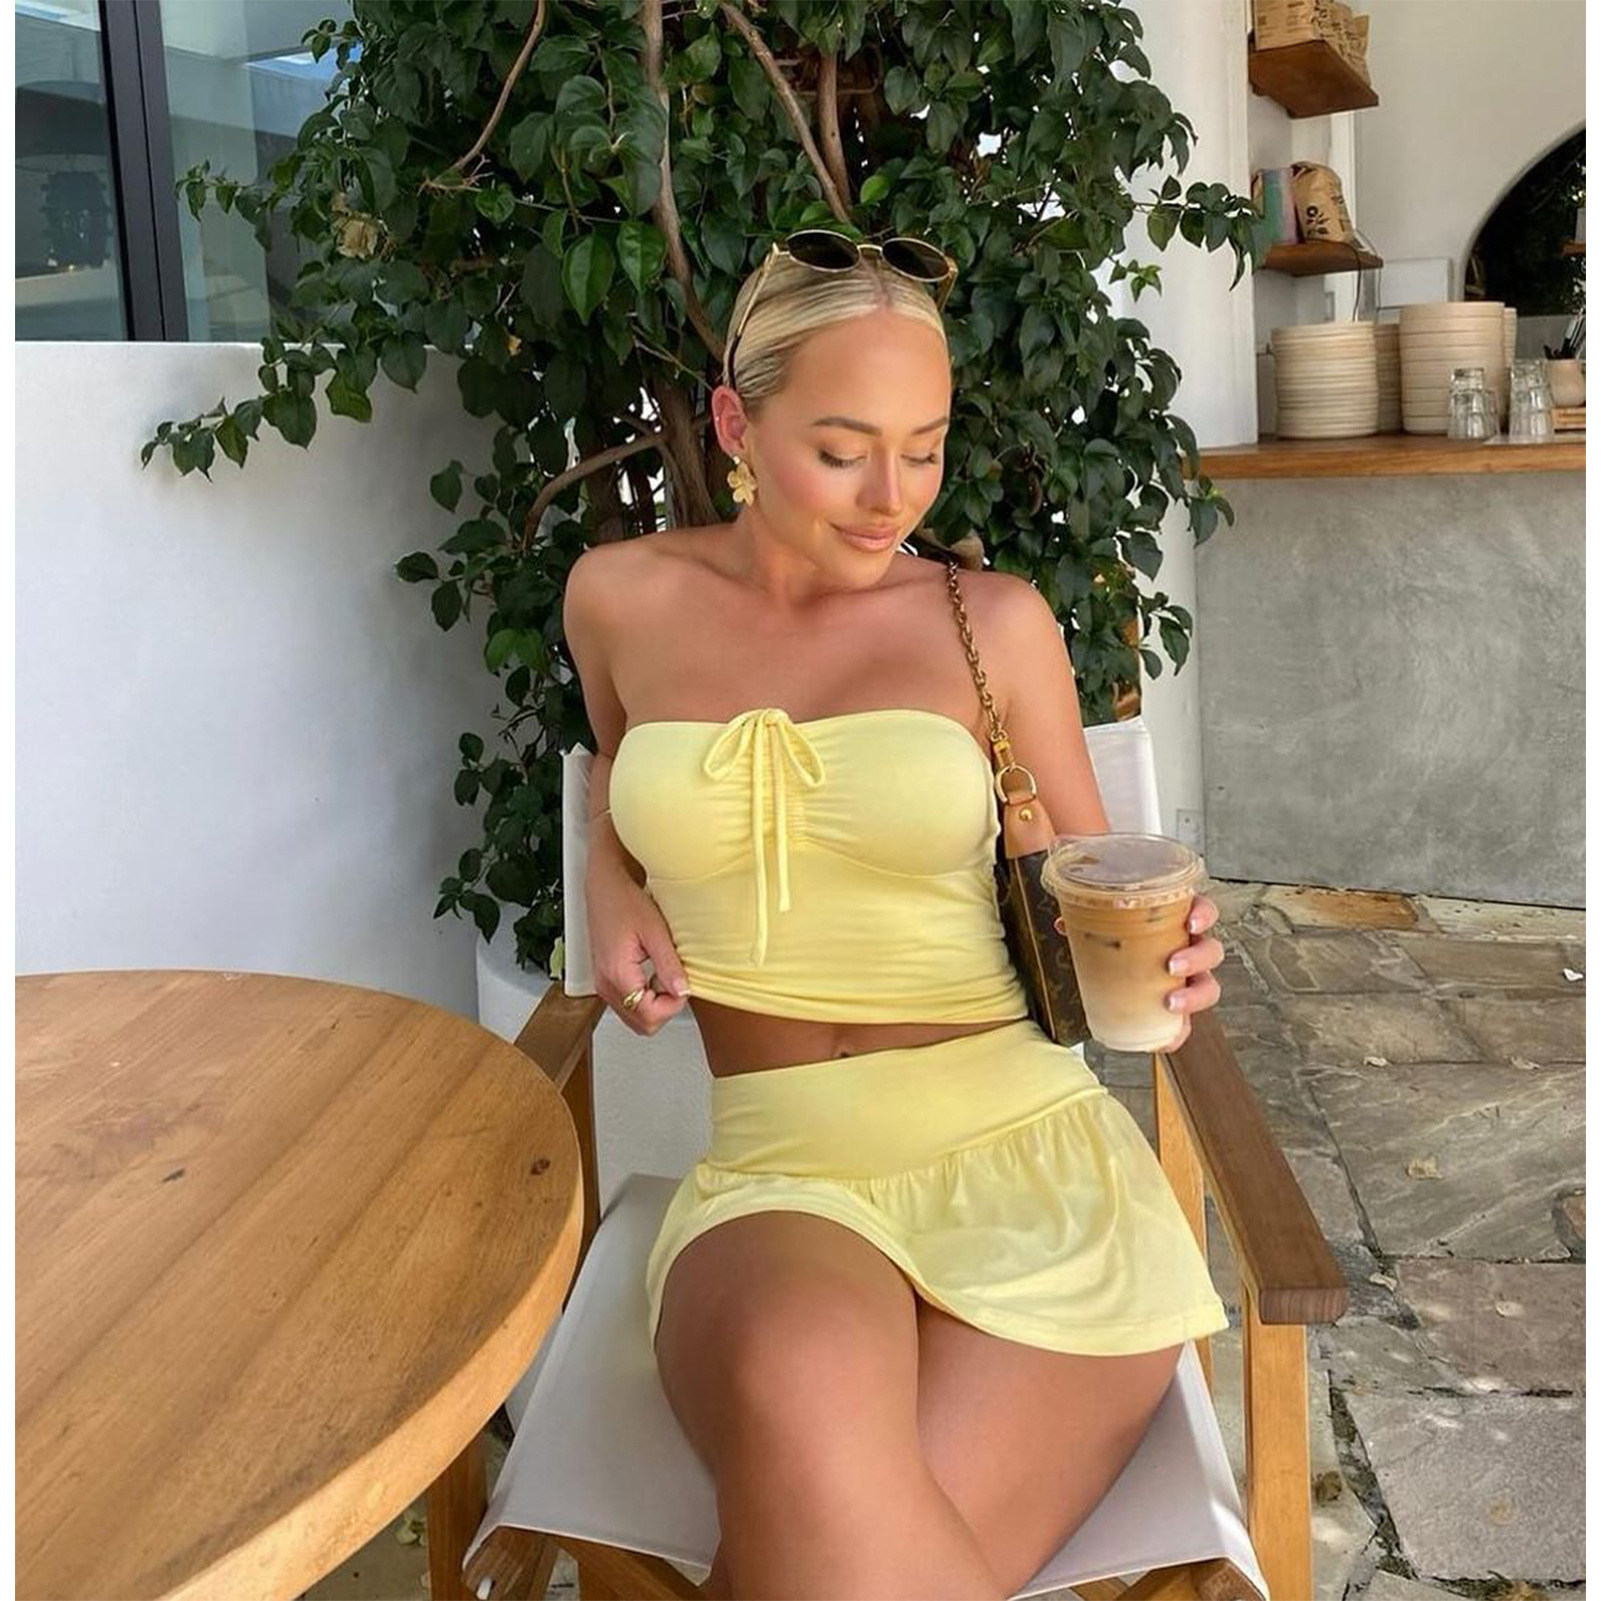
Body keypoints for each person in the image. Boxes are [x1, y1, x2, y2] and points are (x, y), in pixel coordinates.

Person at [561, 233, 1229, 1601]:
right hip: (780, 1168)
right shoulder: (617, 598)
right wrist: (611, 873)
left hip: (1027, 1155)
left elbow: (1096, 879)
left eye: (922, 450)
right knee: (801, 1386)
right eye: (843, 450)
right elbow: (617, 774)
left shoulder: (995, 621)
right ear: (735, 425)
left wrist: (1168, 964)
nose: (892, 498)